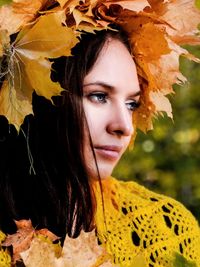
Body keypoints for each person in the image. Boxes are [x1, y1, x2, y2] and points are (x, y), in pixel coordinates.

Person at [0, 0, 200, 266]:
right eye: (98, 96)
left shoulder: (167, 230)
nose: (124, 126)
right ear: (38, 97)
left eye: (131, 103)